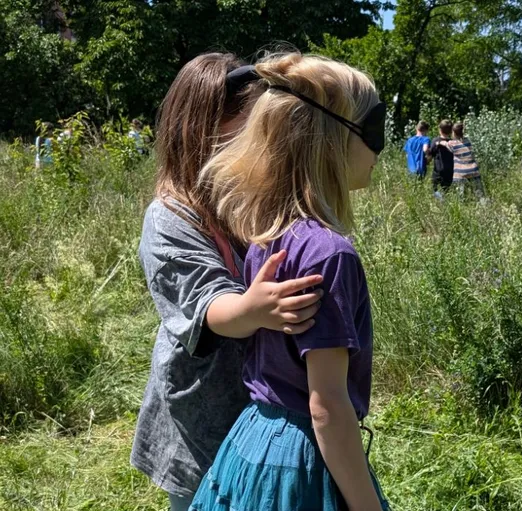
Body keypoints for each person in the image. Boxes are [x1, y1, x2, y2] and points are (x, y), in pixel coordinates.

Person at [190, 53, 389, 511]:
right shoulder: (330, 254)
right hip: (301, 459)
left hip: (253, 437)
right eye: (373, 130)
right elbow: (327, 406)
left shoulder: (268, 237)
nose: (379, 149)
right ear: (335, 139)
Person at [131, 53, 324, 511]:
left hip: (258, 410)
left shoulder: (250, 200)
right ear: (198, 129)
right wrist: (253, 309)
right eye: (246, 123)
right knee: (202, 499)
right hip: (199, 412)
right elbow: (209, 308)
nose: (259, 137)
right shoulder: (169, 218)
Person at [446, 122, 486, 200]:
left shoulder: (452, 143)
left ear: (453, 132)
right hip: (474, 170)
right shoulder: (467, 141)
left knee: (460, 195)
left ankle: (463, 206)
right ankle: (483, 206)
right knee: (479, 193)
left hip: (461, 172)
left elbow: (447, 146)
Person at [428, 119, 455, 198]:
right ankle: (446, 202)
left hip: (438, 171)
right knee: (447, 190)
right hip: (450, 171)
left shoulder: (435, 141)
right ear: (450, 131)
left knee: (435, 189)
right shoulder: (452, 142)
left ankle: (440, 201)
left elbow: (431, 154)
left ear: (440, 129)